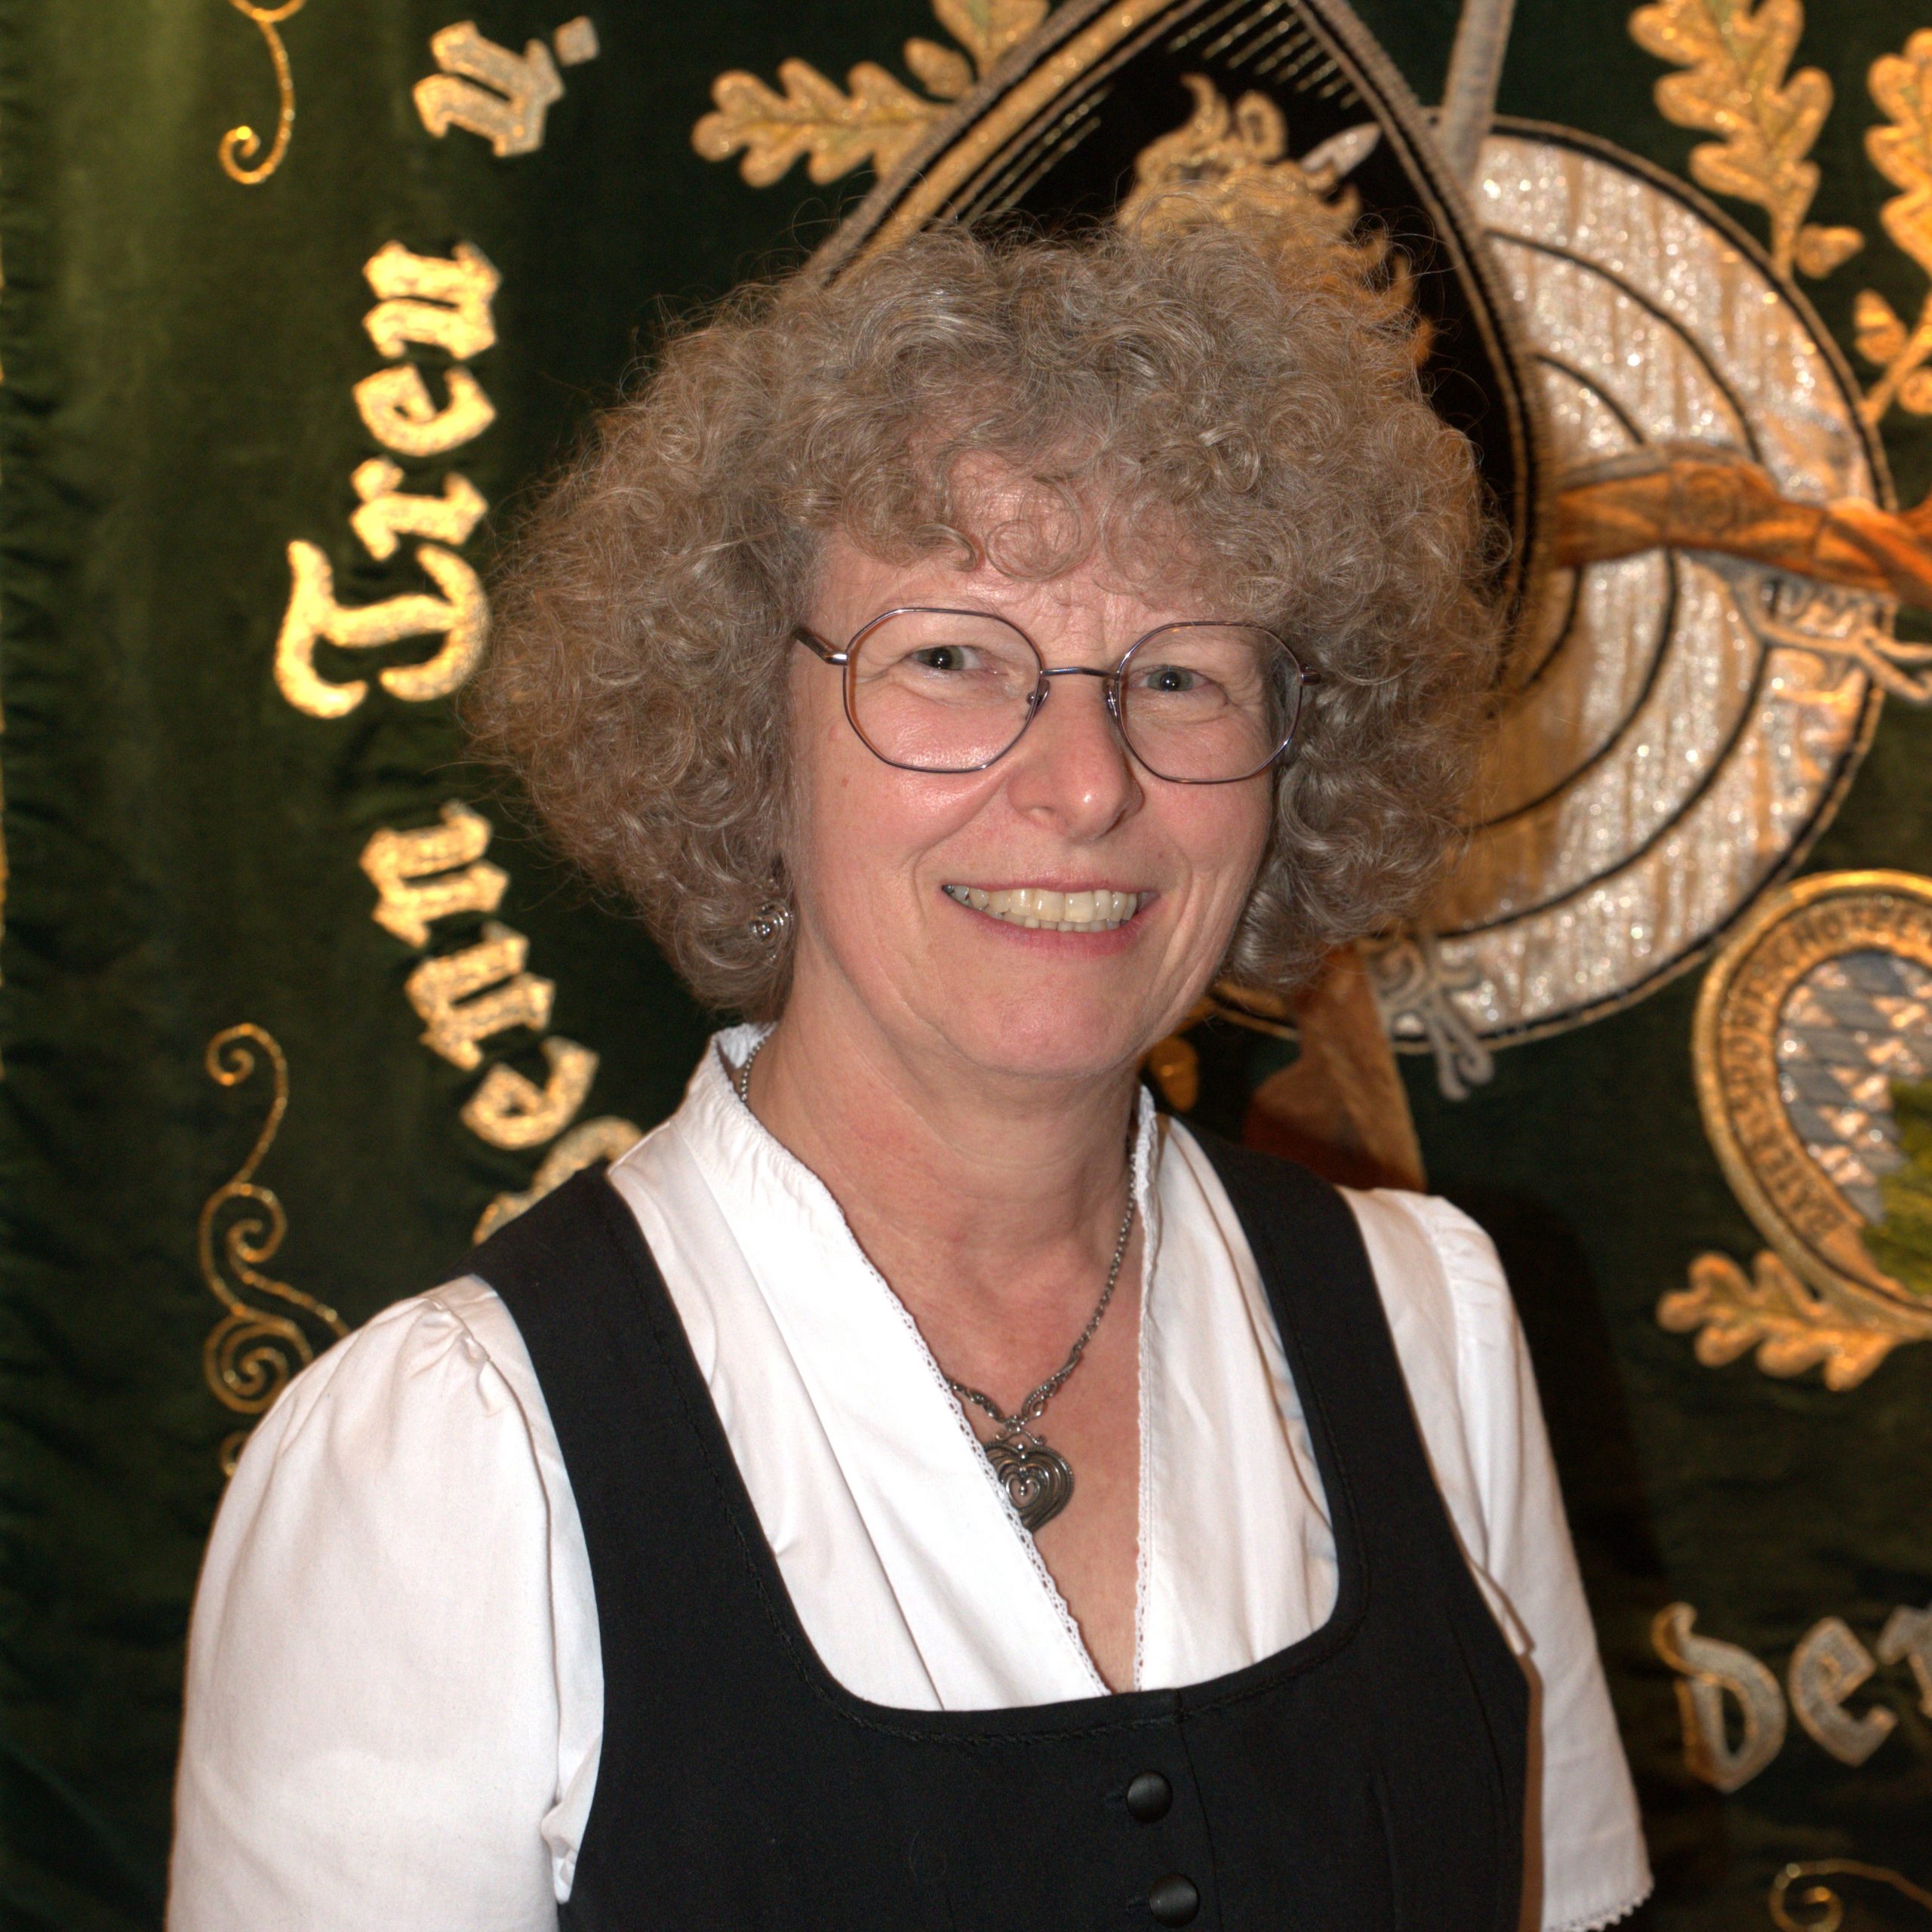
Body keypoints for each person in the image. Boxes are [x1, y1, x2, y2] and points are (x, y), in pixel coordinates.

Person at [168, 214, 1651, 1930]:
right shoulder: (452, 1459)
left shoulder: (1428, 1324)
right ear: (747, 730)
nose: (1084, 784)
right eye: (950, 657)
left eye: (1179, 674)